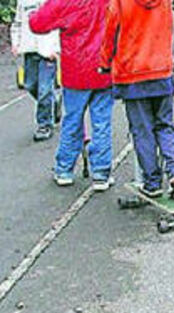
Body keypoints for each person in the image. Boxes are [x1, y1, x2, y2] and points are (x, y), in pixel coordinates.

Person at [100, 0, 174, 197]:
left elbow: (110, 31)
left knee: (142, 130)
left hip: (132, 71)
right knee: (165, 124)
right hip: (161, 69)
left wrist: (104, 62)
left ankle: (152, 181)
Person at [29, 0, 114, 190]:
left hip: (75, 68)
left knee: (72, 120)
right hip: (104, 66)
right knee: (102, 122)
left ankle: (64, 169)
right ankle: (101, 173)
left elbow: (38, 24)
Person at [10, 0, 60, 142]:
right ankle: (53, 103)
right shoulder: (23, 2)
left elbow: (58, 23)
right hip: (29, 49)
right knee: (30, 85)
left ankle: (44, 124)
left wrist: (55, 48)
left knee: (44, 89)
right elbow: (18, 23)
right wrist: (16, 42)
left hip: (47, 51)